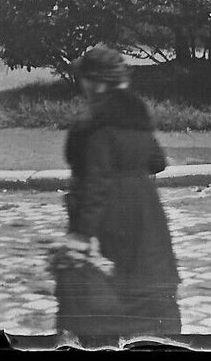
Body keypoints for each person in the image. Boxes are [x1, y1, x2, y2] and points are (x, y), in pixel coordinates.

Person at [62, 45, 181, 339]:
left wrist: (80, 235)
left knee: (107, 292)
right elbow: (157, 161)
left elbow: (96, 184)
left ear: (96, 82)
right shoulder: (136, 113)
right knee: (148, 280)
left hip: (113, 214)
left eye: (85, 79)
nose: (82, 85)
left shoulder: (95, 123)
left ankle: (107, 340)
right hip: (146, 209)